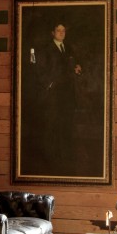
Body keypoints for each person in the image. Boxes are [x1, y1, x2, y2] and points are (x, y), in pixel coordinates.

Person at [35, 22, 83, 172]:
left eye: (63, 30)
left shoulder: (68, 48)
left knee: (66, 124)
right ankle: (49, 158)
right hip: (53, 94)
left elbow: (72, 66)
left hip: (68, 93)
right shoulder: (46, 50)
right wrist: (49, 85)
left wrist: (77, 69)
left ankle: (64, 156)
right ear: (53, 32)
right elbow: (40, 71)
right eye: (58, 30)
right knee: (51, 124)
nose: (61, 33)